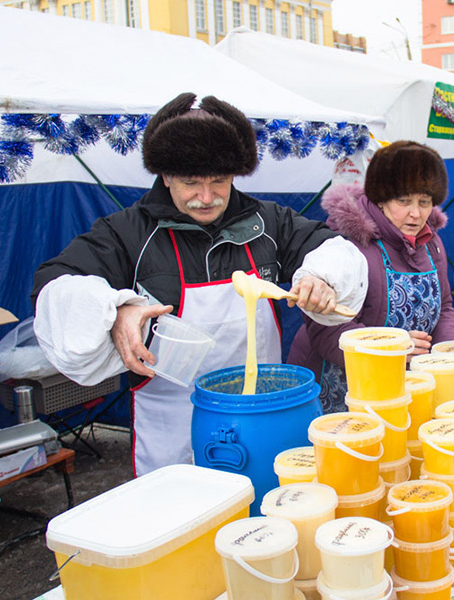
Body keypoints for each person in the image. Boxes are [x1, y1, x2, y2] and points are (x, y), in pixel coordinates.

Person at [32, 93, 367, 476]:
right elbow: (54, 286)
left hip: (262, 415)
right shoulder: (126, 233)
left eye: (219, 181)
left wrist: (322, 277)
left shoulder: (269, 223)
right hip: (172, 428)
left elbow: (332, 249)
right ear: (166, 177)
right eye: (191, 183)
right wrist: (116, 311)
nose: (206, 198)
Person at [288, 141, 454, 413]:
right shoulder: (349, 246)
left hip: (398, 386)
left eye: (424, 202)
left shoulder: (431, 243)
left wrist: (449, 356)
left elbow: (445, 309)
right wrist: (390, 349)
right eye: (403, 201)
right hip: (337, 388)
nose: (416, 214)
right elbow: (325, 328)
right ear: (381, 198)